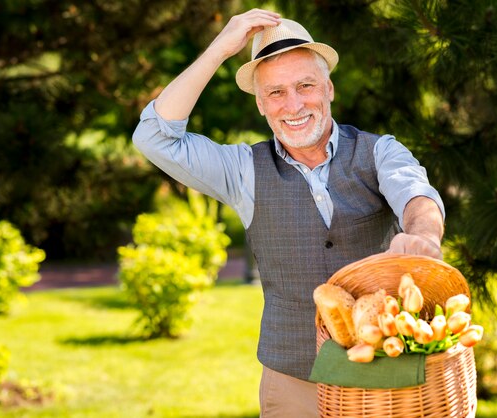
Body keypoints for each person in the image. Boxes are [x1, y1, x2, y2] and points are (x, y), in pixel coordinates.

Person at [132, 9, 445, 418]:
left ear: (329, 88)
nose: (293, 104)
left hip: (388, 376)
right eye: (276, 93)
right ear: (261, 105)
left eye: (305, 85)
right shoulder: (243, 170)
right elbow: (154, 137)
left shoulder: (379, 151)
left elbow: (417, 196)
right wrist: (220, 49)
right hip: (294, 385)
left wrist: (424, 235)